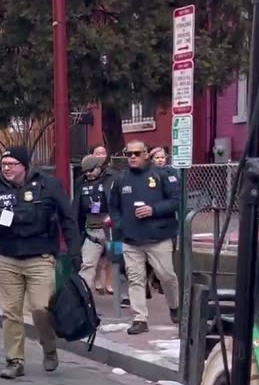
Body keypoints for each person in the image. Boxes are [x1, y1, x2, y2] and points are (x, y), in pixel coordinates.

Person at [0, 147, 79, 379]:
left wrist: (74, 251)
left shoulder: (48, 185)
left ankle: (49, 348)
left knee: (40, 308)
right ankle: (14, 360)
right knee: (11, 313)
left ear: (25, 166)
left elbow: (68, 219)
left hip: (40, 258)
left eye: (12, 164)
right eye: (4, 164)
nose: (7, 168)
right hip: (8, 259)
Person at [108, 140, 181, 334]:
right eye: (129, 154)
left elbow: (176, 201)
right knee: (135, 279)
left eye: (136, 153)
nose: (132, 157)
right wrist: (120, 224)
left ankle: (175, 306)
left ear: (146, 154)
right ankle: (140, 319)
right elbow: (113, 206)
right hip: (131, 240)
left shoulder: (162, 175)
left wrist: (153, 210)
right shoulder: (121, 178)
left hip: (159, 237)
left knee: (166, 276)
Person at [76, 155, 112, 293]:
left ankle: (122, 294)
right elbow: (76, 210)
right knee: (88, 265)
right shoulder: (81, 184)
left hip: (113, 231)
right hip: (92, 232)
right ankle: (82, 296)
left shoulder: (112, 179)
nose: (88, 174)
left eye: (91, 170)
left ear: (99, 167)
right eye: (85, 172)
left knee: (119, 263)